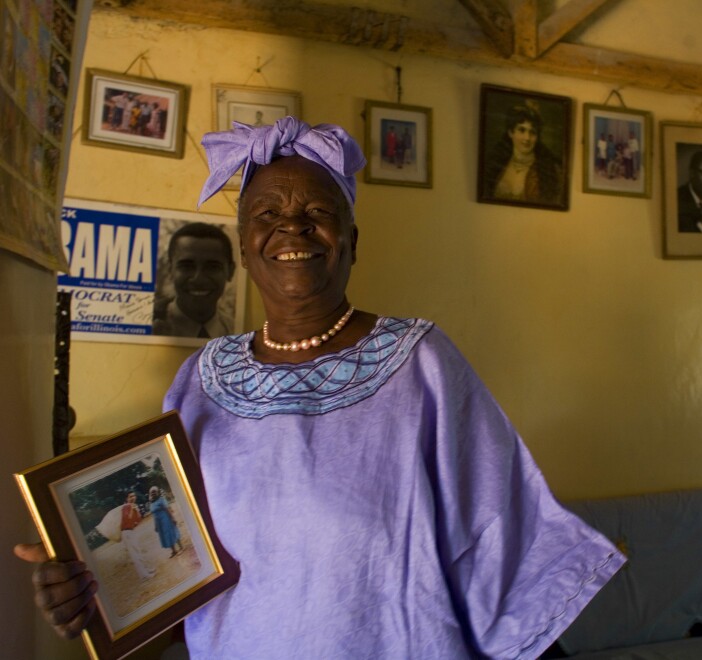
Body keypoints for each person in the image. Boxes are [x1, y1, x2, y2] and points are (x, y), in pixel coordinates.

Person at [15, 116, 625, 657]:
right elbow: (176, 580)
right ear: (246, 253)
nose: (292, 230)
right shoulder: (201, 381)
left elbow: (502, 541)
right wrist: (93, 590)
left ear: (352, 243)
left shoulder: (420, 363)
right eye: (267, 217)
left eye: (316, 214)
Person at [152, 222, 236, 338]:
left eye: (212, 267)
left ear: (230, 271)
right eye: (187, 266)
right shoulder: (151, 327)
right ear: (170, 270)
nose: (199, 279)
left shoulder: (237, 331)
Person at [483, 101, 564, 205]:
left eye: (532, 132)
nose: (527, 138)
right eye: (522, 130)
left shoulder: (551, 170)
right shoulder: (495, 164)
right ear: (511, 133)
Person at [119, 492, 155, 580]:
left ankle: (146, 570)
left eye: (134, 496)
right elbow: (128, 518)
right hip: (126, 532)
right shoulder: (126, 506)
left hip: (131, 531)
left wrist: (137, 510)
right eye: (130, 496)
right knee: (135, 555)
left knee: (138, 552)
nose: (133, 497)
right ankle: (144, 576)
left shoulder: (134, 507)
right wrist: (132, 508)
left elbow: (138, 521)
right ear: (127, 498)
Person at [148, 487, 184, 558]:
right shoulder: (151, 503)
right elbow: (154, 515)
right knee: (166, 536)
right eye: (152, 492)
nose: (153, 493)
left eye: (154, 491)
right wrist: (155, 525)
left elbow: (167, 509)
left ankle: (181, 548)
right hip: (159, 523)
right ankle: (174, 551)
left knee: (172, 532)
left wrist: (173, 518)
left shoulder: (161, 500)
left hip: (166, 519)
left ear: (158, 492)